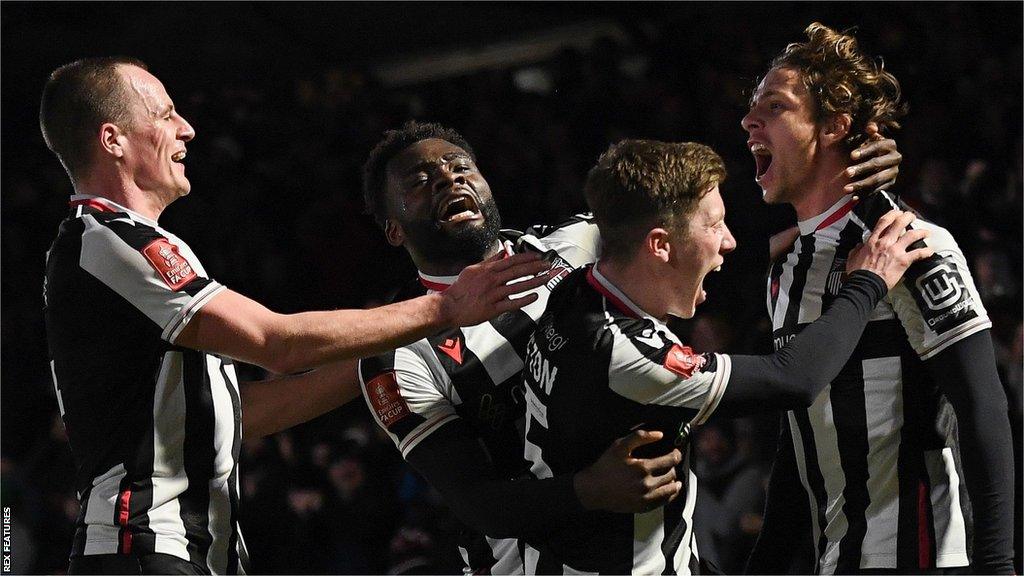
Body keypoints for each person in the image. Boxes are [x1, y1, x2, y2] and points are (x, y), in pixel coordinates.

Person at [39, 58, 550, 575]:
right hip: (141, 548)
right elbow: (277, 343)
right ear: (113, 140)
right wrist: (446, 306)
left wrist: (390, 349)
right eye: (166, 114)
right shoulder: (110, 243)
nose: (186, 129)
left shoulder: (121, 247)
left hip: (189, 552)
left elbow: (240, 414)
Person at [356, 121, 907, 573]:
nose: (448, 181)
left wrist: (836, 173)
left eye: (459, 167)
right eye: (420, 180)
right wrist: (588, 490)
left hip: (659, 548)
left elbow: (693, 236)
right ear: (393, 230)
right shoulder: (395, 358)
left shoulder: (569, 245)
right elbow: (478, 503)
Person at [519, 139, 930, 574]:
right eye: (714, 225)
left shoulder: (576, 274)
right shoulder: (624, 354)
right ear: (659, 246)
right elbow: (794, 379)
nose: (729, 241)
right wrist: (868, 280)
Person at [741, 23, 1015, 575]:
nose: (750, 119)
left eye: (775, 105)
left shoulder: (909, 244)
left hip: (920, 557)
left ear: (835, 125)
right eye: (752, 105)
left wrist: (998, 565)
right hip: (837, 561)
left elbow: (983, 411)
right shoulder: (786, 266)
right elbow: (801, 441)